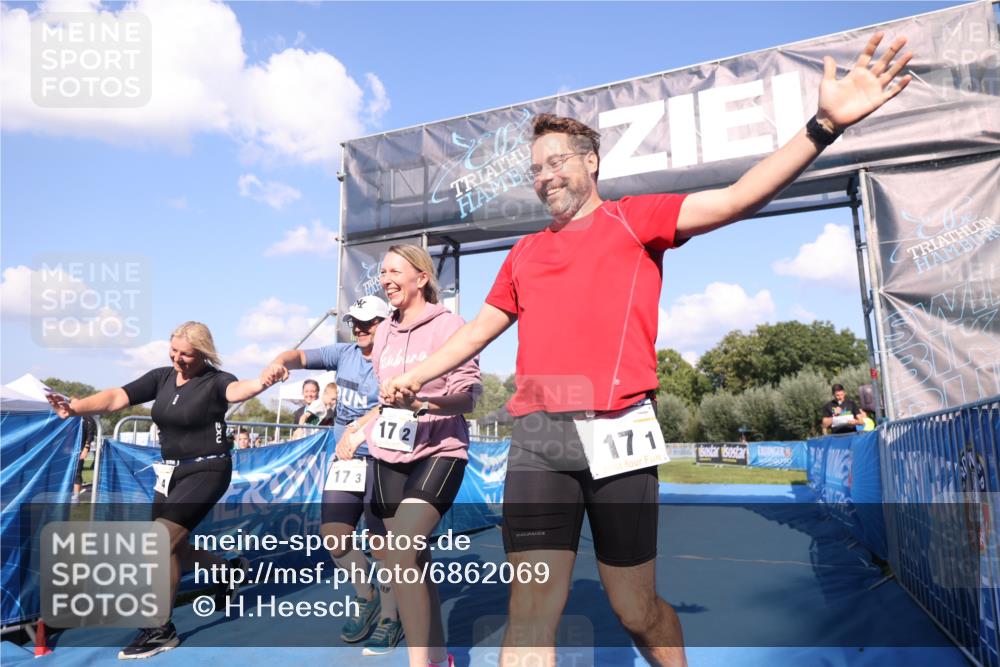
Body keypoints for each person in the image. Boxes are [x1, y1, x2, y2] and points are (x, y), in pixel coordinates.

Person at [380, 33, 912, 667]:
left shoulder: (635, 220)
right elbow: (475, 333)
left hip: (620, 432)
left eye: (558, 162)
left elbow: (738, 197)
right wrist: (416, 372)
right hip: (539, 440)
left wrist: (824, 124)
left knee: (636, 611)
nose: (546, 175)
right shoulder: (523, 253)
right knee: (529, 616)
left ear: (591, 162)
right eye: (536, 168)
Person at [47, 321, 281, 659]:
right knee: (176, 549)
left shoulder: (216, 381)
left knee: (158, 541)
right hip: (171, 472)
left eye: (186, 354)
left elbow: (237, 391)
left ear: (203, 353)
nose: (178, 359)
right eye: (173, 352)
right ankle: (228, 570)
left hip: (209, 469)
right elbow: (116, 398)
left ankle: (160, 629)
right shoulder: (162, 377)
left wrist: (262, 382)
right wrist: (76, 407)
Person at [358, 245, 480, 667]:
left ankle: (418, 663)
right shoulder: (385, 330)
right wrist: (364, 425)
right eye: (382, 272)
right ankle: (437, 656)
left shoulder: (450, 325)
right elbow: (384, 394)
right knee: (408, 561)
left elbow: (469, 398)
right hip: (390, 453)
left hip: (440, 450)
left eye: (394, 271)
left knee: (405, 547)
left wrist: (424, 403)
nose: (386, 279)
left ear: (421, 278)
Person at [263, 295, 406, 655]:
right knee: (335, 537)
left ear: (385, 322)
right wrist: (280, 362)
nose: (358, 328)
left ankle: (391, 616)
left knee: (381, 544)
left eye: (367, 322)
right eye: (354, 321)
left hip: (382, 460)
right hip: (345, 464)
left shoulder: (398, 356)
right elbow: (300, 357)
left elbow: (398, 403)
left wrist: (359, 427)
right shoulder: (345, 354)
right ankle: (366, 596)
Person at [72, 415, 98, 502]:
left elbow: (90, 435)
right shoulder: (68, 417)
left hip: (79, 450)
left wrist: (86, 449)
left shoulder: (88, 418)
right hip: (66, 450)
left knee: (77, 472)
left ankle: (75, 497)